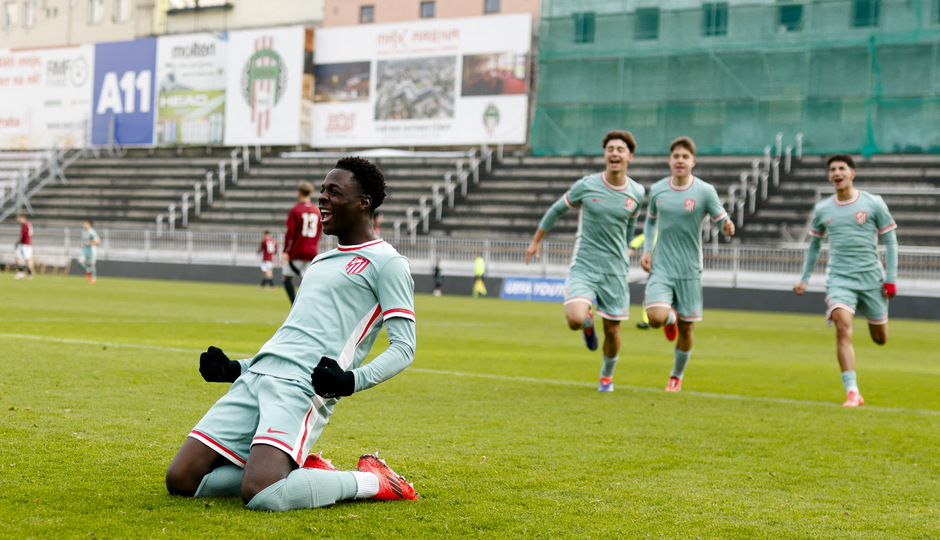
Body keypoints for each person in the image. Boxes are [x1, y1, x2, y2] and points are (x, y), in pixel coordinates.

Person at [165, 156, 418, 510]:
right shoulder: (320, 261)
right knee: (182, 479)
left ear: (364, 204)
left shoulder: (387, 263)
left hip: (302, 385)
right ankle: (302, 468)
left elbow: (405, 348)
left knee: (261, 494)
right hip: (258, 377)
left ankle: (373, 480)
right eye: (322, 190)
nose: (322, 198)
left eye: (334, 191)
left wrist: (349, 381)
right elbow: (295, 335)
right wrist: (237, 368)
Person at [525, 130, 645, 392]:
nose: (614, 153)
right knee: (575, 319)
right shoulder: (587, 184)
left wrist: (626, 248)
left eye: (620, 149)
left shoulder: (637, 192)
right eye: (610, 148)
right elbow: (557, 208)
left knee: (613, 331)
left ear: (629, 157)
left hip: (615, 270)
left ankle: (606, 377)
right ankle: (588, 323)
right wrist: (536, 240)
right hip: (585, 265)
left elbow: (630, 225)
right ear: (605, 154)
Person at [793, 154, 897, 407]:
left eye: (841, 168)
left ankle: (874, 318)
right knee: (842, 328)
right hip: (840, 279)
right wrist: (804, 279)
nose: (836, 173)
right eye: (832, 169)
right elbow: (815, 246)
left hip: (872, 280)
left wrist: (891, 279)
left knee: (880, 338)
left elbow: (891, 241)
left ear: (852, 173)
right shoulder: (823, 209)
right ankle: (852, 392)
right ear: (829, 176)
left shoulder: (874, 203)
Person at [640, 136, 735, 392]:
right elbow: (650, 221)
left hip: (690, 269)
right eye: (676, 156)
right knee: (655, 317)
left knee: (687, 327)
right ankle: (668, 318)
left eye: (685, 157)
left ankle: (676, 376)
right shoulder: (659, 189)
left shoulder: (704, 191)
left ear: (693, 162)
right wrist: (647, 250)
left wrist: (727, 226)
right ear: (670, 161)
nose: (680, 160)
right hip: (661, 265)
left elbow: (722, 220)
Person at [282, 181, 322, 304]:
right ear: (310, 193)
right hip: (312, 251)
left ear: (298, 193)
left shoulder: (295, 210)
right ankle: (308, 303)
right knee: (307, 280)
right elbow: (319, 231)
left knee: (287, 278)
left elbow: (290, 232)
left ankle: (295, 304)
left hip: (297, 251)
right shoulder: (317, 211)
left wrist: (285, 251)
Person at [628, 233, 650, 329]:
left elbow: (643, 237)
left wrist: (632, 246)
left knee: (649, 293)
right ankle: (646, 320)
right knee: (648, 294)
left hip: (662, 268)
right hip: (657, 268)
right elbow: (644, 236)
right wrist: (632, 246)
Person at [13, 213, 35, 280]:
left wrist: (19, 241)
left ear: (22, 217)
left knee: (18, 257)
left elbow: (24, 235)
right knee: (28, 258)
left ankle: (21, 272)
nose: (17, 220)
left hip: (24, 244)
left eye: (18, 218)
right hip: (28, 243)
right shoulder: (29, 224)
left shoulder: (25, 225)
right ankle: (29, 275)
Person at [78, 220, 100, 284]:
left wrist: (90, 242)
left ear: (89, 225)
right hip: (85, 249)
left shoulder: (92, 232)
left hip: (91, 250)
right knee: (80, 261)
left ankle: (93, 278)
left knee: (92, 264)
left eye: (86, 223)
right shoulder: (83, 231)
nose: (84, 224)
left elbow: (98, 241)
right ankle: (88, 269)